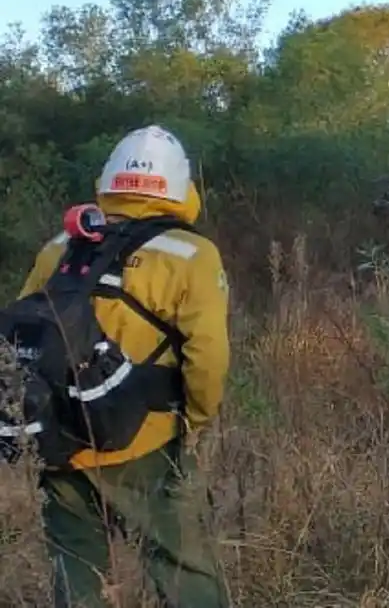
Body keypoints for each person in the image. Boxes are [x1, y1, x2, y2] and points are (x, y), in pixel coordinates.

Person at [13, 125, 232, 607]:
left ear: (109, 181)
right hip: (146, 441)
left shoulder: (60, 247)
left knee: (76, 571)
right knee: (183, 569)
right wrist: (196, 420)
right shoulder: (191, 255)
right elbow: (208, 355)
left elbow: (23, 335)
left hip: (60, 438)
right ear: (180, 187)